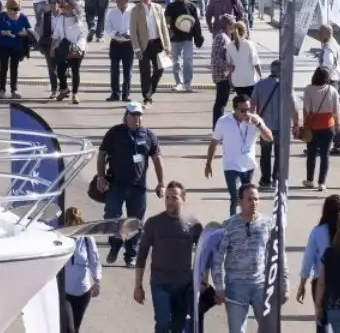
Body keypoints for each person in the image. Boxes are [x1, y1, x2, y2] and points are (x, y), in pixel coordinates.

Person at [211, 184, 288, 333]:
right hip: (235, 287)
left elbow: (279, 255)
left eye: (256, 199)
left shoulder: (268, 224)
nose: (254, 203)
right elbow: (217, 259)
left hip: (261, 286)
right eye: (250, 199)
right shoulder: (229, 226)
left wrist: (284, 284)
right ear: (241, 202)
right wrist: (219, 287)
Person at [96, 102, 165, 267]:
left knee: (136, 223)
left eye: (139, 115)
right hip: (116, 185)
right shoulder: (115, 133)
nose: (137, 118)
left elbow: (157, 159)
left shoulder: (148, 135)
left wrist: (161, 183)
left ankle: (131, 255)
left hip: (138, 187)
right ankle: (114, 245)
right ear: (126, 116)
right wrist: (100, 176)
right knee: (111, 216)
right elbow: (102, 154)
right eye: (133, 115)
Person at [134, 182, 203, 333]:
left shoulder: (194, 224)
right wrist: (138, 286)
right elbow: (142, 255)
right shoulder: (153, 223)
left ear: (183, 198)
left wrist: (203, 282)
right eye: (168, 198)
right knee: (163, 323)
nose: (170, 201)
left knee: (179, 327)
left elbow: (203, 256)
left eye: (174, 198)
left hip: (184, 285)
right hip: (160, 283)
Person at [204, 94, 272, 216]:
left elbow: (269, 137)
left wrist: (259, 125)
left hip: (248, 166)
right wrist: (208, 163)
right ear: (234, 109)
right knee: (235, 198)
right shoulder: (224, 121)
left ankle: (247, 222)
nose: (246, 113)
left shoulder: (255, 120)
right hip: (231, 166)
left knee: (248, 199)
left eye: (249, 109)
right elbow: (214, 143)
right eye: (243, 110)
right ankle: (233, 225)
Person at [298, 193, 340, 333]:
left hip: (321, 284)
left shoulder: (318, 231)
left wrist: (302, 284)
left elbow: (308, 259)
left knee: (322, 323)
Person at [252, 60, 298, 191]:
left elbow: (253, 104)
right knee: (280, 155)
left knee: (265, 154)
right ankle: (276, 179)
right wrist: (296, 124)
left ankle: (265, 180)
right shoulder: (286, 86)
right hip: (282, 127)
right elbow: (294, 107)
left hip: (264, 126)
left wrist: (252, 120)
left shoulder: (260, 85)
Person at [61, 206, 102, 333]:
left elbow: (94, 259)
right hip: (65, 293)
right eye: (71, 224)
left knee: (75, 328)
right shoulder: (60, 238)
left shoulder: (87, 239)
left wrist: (97, 282)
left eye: (77, 223)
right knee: (68, 329)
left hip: (83, 292)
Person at [302, 67, 340, 191]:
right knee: (325, 155)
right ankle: (322, 182)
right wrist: (337, 125)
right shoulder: (332, 90)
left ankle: (309, 180)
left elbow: (306, 110)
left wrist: (306, 125)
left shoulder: (309, 89)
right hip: (328, 126)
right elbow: (336, 111)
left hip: (313, 126)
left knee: (311, 154)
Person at [130, 0, 171, 107]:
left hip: (158, 43)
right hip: (144, 45)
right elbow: (133, 31)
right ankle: (146, 97)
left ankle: (150, 92)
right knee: (145, 71)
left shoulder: (158, 8)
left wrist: (168, 46)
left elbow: (164, 27)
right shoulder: (135, 10)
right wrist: (136, 48)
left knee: (160, 69)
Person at [164, 0, 204, 93]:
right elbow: (166, 21)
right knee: (176, 62)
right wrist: (169, 31)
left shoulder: (192, 6)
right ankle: (178, 83)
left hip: (187, 37)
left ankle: (187, 83)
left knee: (188, 60)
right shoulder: (171, 6)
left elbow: (196, 23)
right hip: (174, 38)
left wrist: (198, 37)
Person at [0, 0, 31, 99]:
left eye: (16, 9)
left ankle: (14, 90)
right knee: (3, 68)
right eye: (12, 9)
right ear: (8, 8)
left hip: (16, 46)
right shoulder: (2, 16)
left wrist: (24, 33)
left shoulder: (23, 17)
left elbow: (29, 30)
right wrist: (4, 32)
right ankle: (2, 89)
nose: (14, 12)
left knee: (14, 68)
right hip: (3, 45)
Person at [52, 0, 88, 103]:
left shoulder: (80, 19)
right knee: (60, 70)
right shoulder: (60, 18)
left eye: (66, 7)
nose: (64, 9)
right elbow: (56, 34)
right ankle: (64, 89)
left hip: (77, 50)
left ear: (72, 7)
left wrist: (78, 48)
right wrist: (52, 47)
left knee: (75, 71)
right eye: (62, 7)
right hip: (63, 48)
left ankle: (75, 94)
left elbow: (83, 35)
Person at [319, 25, 340, 156]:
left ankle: (323, 144)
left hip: (328, 82)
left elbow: (326, 65)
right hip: (335, 81)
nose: (318, 34)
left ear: (327, 33)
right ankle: (337, 144)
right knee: (335, 113)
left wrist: (320, 79)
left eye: (320, 32)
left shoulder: (328, 47)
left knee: (324, 114)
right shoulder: (336, 45)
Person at [105, 0, 135, 102]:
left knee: (128, 71)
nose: (117, 1)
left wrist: (128, 33)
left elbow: (135, 25)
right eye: (116, 0)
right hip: (115, 44)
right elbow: (107, 27)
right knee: (114, 69)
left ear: (126, 0)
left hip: (128, 44)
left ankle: (126, 94)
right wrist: (115, 34)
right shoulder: (112, 12)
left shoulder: (133, 11)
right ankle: (115, 93)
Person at [210, 14, 236, 126]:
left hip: (223, 74)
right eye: (233, 24)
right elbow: (216, 56)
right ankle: (217, 126)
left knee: (222, 101)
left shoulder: (226, 37)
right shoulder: (221, 37)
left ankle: (217, 126)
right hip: (221, 74)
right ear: (228, 25)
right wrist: (227, 67)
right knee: (221, 102)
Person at [224, 22, 262, 98]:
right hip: (250, 80)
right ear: (245, 31)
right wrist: (261, 77)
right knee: (250, 104)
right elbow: (256, 63)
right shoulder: (249, 44)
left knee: (242, 103)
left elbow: (229, 66)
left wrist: (230, 82)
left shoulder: (229, 47)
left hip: (237, 81)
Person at [38, 0, 62, 98]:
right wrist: (41, 44)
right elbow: (41, 31)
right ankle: (54, 89)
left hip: (61, 44)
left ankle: (63, 88)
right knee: (52, 68)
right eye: (51, 3)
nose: (54, 5)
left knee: (62, 68)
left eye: (56, 3)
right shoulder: (46, 15)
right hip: (49, 44)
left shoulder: (64, 15)